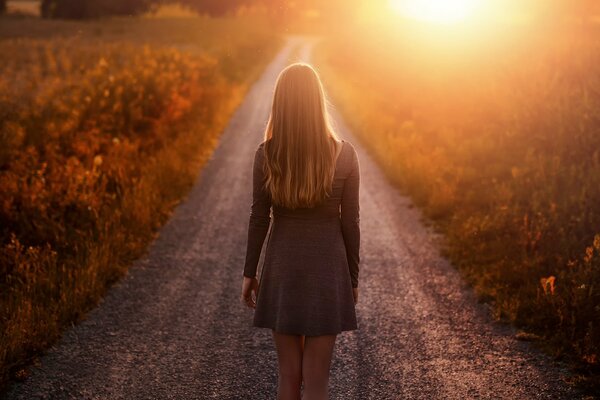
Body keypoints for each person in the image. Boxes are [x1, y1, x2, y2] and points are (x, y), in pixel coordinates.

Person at [240, 62, 361, 400]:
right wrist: (352, 278)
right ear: (317, 102)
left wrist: (250, 272)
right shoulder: (345, 155)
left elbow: (258, 216)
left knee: (288, 377)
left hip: (283, 270)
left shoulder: (267, 155)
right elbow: (351, 223)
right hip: (328, 272)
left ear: (280, 103)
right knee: (317, 379)